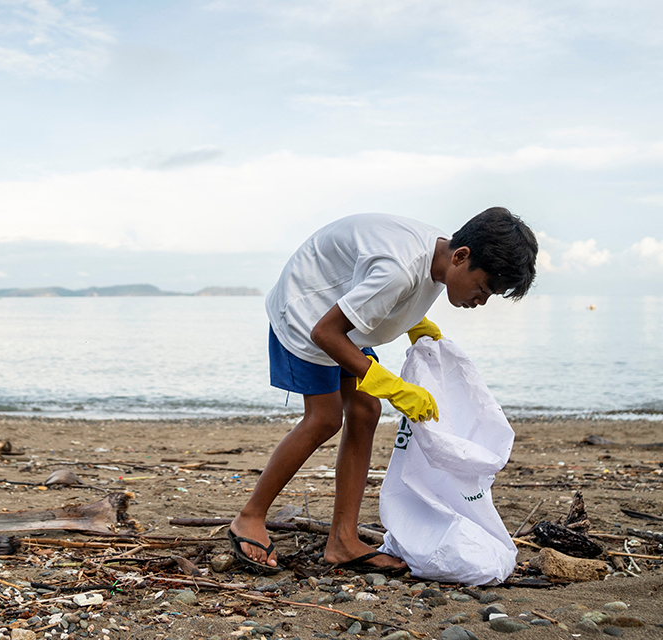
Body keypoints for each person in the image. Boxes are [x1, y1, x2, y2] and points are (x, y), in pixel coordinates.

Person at [228, 207, 537, 575]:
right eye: (483, 289)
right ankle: (250, 517)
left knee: (365, 411)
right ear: (461, 256)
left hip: (342, 311)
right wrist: (393, 387)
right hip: (307, 310)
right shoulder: (400, 268)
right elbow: (326, 332)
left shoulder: (439, 255)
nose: (480, 301)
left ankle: (342, 540)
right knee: (324, 419)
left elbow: (391, 290)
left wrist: (416, 323)